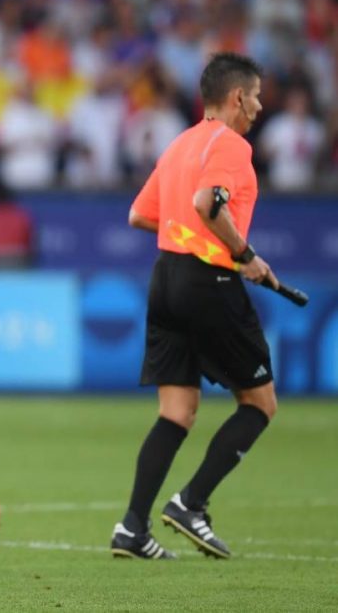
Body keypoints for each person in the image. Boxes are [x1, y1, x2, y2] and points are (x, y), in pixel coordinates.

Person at [111, 52, 280, 560]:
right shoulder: (230, 144)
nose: (259, 107)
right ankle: (191, 503)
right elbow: (209, 204)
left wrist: (185, 233)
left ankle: (133, 528)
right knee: (260, 403)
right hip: (210, 280)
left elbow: (141, 215)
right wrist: (244, 255)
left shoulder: (180, 144)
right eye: (254, 97)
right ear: (235, 98)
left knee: (177, 412)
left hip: (166, 278)